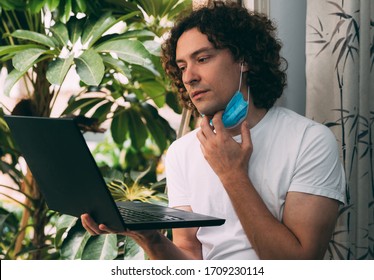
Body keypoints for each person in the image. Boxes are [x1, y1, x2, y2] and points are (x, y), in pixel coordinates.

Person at [81, 1, 346, 260]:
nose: (188, 77)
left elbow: (298, 264)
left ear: (244, 60)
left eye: (203, 59)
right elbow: (191, 257)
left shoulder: (309, 141)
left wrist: (231, 173)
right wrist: (151, 238)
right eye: (182, 67)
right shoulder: (181, 152)